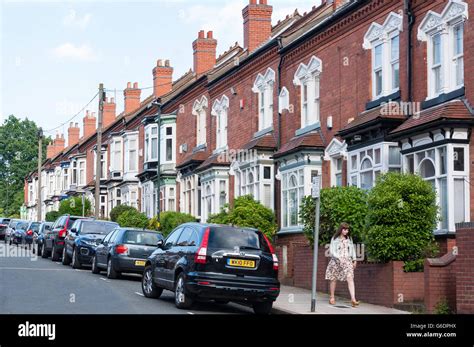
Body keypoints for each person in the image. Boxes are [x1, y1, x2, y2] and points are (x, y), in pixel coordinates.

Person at [325, 222, 359, 307]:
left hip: (347, 261)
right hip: (336, 261)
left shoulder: (349, 238)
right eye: (345, 229)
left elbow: (352, 249)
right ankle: (332, 297)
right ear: (341, 229)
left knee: (350, 278)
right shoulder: (335, 238)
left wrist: (354, 259)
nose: (346, 231)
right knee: (333, 279)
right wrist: (338, 257)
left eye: (347, 230)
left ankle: (353, 299)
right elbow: (332, 251)